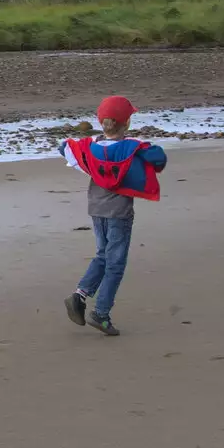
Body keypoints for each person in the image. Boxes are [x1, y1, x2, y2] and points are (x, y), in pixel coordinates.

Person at [60, 96, 167, 336]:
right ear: (126, 123)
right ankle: (101, 313)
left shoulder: (91, 147)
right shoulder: (132, 148)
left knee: (102, 254)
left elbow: (65, 147)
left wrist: (89, 151)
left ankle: (80, 295)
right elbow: (158, 157)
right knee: (115, 264)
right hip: (119, 212)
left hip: (96, 208)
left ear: (101, 121)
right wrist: (138, 148)